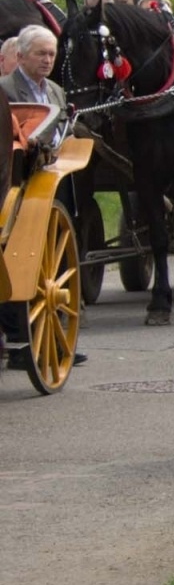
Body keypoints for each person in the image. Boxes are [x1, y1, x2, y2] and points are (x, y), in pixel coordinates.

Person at [0, 25, 82, 369]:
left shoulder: (57, 92)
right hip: (15, 177)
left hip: (46, 179)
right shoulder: (5, 90)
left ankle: (31, 340)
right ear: (20, 57)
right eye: (41, 54)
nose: (48, 60)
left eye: (51, 54)